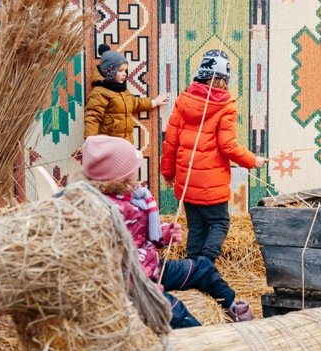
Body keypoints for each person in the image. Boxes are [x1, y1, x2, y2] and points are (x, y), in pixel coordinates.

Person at [82, 134, 254, 323]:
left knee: (203, 266)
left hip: (153, 267)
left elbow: (144, 232)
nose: (137, 172)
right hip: (133, 283)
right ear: (118, 177)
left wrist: (164, 234)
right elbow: (110, 263)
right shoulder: (102, 212)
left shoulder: (134, 198)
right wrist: (143, 290)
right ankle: (202, 343)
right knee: (175, 312)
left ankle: (231, 306)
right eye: (133, 169)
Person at [161, 49, 266, 262]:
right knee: (219, 223)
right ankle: (205, 264)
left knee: (197, 227)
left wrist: (167, 172)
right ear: (222, 79)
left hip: (187, 182)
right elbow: (227, 146)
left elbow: (170, 142)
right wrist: (253, 161)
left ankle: (191, 268)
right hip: (212, 184)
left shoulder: (183, 101)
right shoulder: (225, 106)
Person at [84, 44, 168, 143]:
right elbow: (92, 117)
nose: (125, 74)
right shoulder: (99, 93)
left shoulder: (123, 91)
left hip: (127, 143)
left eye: (125, 70)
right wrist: (90, 142)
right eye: (120, 70)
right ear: (109, 72)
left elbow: (135, 103)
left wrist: (154, 102)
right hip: (110, 144)